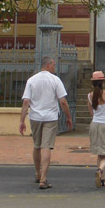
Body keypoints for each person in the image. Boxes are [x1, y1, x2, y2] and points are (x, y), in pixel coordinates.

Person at [19, 56, 73, 190]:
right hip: (50, 117)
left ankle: (37, 173)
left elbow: (26, 101)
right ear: (48, 65)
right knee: (46, 147)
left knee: (37, 145)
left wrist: (22, 120)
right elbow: (63, 101)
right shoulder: (55, 80)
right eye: (53, 65)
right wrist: (68, 117)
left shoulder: (32, 80)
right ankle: (44, 178)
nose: (55, 67)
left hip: (35, 117)